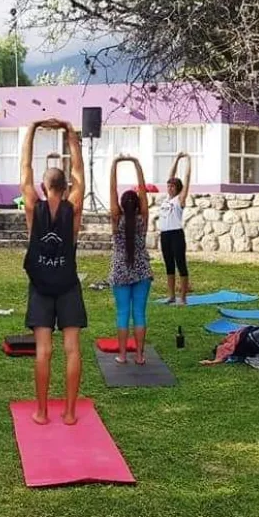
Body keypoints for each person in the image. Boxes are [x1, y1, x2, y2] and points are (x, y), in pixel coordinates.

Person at [21, 118, 87, 426]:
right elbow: (79, 173)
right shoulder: (73, 208)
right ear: (65, 187)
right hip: (67, 285)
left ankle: (42, 411)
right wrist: (69, 132)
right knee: (72, 349)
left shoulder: (33, 207)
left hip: (42, 287)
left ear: (45, 187)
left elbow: (25, 170)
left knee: (43, 351)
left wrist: (33, 128)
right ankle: (71, 413)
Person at [108, 155, 153, 365]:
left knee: (123, 313)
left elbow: (112, 191)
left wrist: (114, 165)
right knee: (139, 314)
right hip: (142, 271)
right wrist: (137, 164)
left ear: (121, 206)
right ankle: (140, 356)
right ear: (137, 206)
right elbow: (143, 193)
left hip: (120, 272)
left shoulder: (116, 220)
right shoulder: (142, 219)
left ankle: (123, 355)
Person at [156, 152, 191, 305]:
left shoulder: (179, 199)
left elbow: (187, 180)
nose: (169, 188)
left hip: (176, 234)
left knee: (180, 265)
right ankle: (171, 296)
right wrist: (176, 159)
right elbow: (171, 174)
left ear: (177, 189)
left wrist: (188, 161)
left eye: (173, 186)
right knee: (169, 265)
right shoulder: (166, 198)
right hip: (165, 235)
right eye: (168, 186)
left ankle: (183, 298)